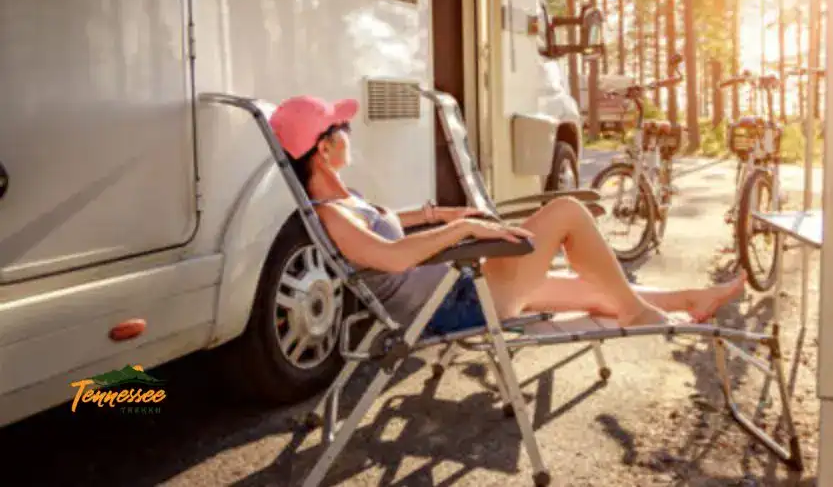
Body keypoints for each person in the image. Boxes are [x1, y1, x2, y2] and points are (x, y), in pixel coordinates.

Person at [269, 94, 745, 336]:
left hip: (460, 289)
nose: (352, 132)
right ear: (325, 148)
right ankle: (640, 314)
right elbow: (392, 257)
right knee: (566, 211)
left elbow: (396, 222)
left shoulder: (346, 201)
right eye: (343, 127)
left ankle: (689, 300)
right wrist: (464, 228)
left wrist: (445, 211)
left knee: (596, 292)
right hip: (455, 305)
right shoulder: (331, 216)